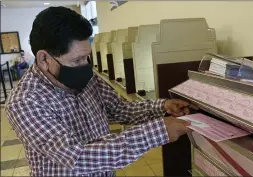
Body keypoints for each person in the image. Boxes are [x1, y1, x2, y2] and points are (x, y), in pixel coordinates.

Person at [5, 7, 192, 177]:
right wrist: (158, 132)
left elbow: (120, 110)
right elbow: (77, 158)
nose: (85, 67)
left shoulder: (86, 78)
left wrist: (162, 106)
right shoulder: (25, 102)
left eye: (87, 57)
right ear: (44, 59)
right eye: (77, 60)